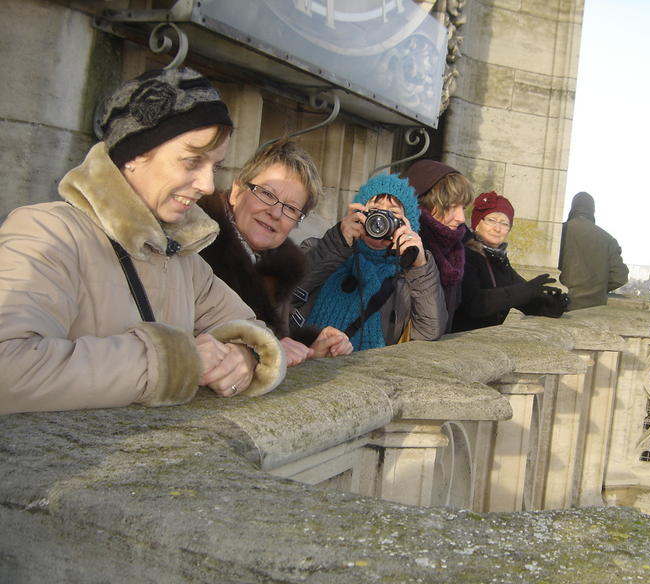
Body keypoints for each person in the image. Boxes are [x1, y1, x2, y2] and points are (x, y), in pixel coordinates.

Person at [0, 67, 285, 416]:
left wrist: (243, 356)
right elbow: (9, 368)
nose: (208, 186)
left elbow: (250, 330)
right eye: (192, 161)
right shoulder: (48, 233)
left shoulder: (185, 259)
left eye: (215, 166)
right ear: (135, 154)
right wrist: (173, 363)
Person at [199, 140, 352, 367]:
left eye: (290, 208)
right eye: (266, 194)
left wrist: (309, 350)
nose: (275, 212)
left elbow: (276, 346)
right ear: (237, 192)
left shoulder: (276, 267)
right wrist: (267, 349)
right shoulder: (197, 246)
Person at [299, 173, 446, 350]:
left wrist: (419, 265)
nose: (380, 220)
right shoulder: (321, 249)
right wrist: (338, 241)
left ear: (408, 225)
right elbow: (288, 292)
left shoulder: (408, 278)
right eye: (375, 210)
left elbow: (429, 331)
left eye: (392, 213)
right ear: (359, 212)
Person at [451, 192, 566, 332]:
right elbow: (473, 304)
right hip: (459, 341)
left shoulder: (499, 260)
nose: (497, 228)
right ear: (477, 224)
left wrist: (548, 306)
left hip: (485, 342)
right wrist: (527, 290)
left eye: (504, 223)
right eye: (491, 220)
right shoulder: (465, 254)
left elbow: (521, 297)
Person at [403, 159, 473, 332]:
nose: (461, 218)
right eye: (452, 207)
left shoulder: (455, 249)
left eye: (463, 207)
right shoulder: (404, 246)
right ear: (425, 203)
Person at [558, 191, 629, 310]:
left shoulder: (558, 233)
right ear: (593, 211)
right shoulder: (608, 240)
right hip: (593, 308)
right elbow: (620, 277)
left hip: (560, 305)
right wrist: (596, 288)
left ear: (572, 208)